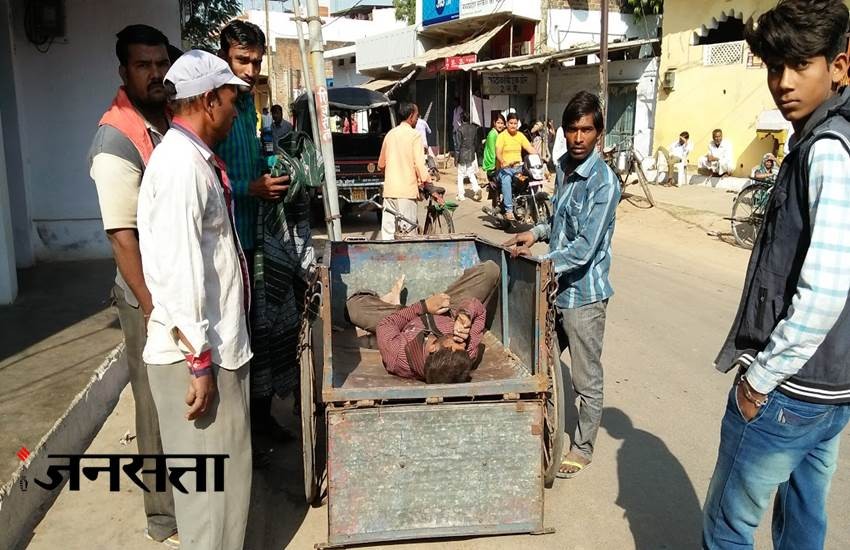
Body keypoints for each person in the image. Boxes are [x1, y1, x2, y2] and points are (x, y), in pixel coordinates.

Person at [705, 2, 850, 548]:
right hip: (832, 391)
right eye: (773, 67)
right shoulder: (826, 138)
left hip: (789, 391)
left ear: (839, 66)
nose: (783, 82)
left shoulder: (828, 149)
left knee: (727, 528)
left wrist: (760, 380)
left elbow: (826, 289)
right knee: (803, 524)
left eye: (800, 64)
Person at [137, 49, 253, 550]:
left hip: (214, 348)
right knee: (210, 503)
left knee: (225, 491)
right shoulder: (180, 167)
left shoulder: (192, 160)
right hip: (198, 359)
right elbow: (178, 271)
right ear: (208, 100)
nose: (235, 111)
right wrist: (199, 362)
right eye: (231, 100)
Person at [88, 24, 177, 548]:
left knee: (181, 394)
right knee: (153, 401)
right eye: (144, 65)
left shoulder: (164, 117)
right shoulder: (115, 138)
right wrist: (151, 307)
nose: (156, 73)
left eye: (161, 62)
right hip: (145, 294)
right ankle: (162, 516)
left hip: (174, 284)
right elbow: (122, 237)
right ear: (124, 71)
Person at [504, 91, 620, 479]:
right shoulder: (566, 168)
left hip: (585, 296)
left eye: (585, 130)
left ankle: (583, 447)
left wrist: (543, 262)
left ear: (598, 133)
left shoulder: (604, 183)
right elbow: (559, 220)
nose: (578, 137)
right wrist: (535, 233)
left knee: (585, 378)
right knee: (541, 361)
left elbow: (584, 248)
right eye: (572, 129)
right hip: (555, 290)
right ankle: (542, 427)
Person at [215, 20, 296, 449]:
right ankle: (241, 434)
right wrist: (252, 188)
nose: (250, 70)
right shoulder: (215, 104)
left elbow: (253, 160)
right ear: (224, 57)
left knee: (259, 335)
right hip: (225, 243)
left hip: (255, 241)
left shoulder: (249, 105)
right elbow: (210, 178)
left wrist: (275, 172)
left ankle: (260, 424)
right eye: (242, 60)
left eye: (256, 62)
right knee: (235, 341)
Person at [346, 261, 500, 383]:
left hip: (403, 320)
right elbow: (478, 311)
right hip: (448, 310)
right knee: (490, 271)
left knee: (353, 308)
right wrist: (464, 315)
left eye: (454, 342)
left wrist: (424, 306)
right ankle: (402, 301)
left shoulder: (396, 354)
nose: (461, 341)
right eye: (462, 345)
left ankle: (390, 301)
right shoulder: (467, 353)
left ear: (433, 347)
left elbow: (387, 324)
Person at [377, 102, 434, 240]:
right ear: (411, 116)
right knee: (408, 235)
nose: (417, 119)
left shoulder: (390, 135)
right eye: (417, 116)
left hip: (389, 192)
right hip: (406, 194)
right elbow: (419, 165)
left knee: (388, 234)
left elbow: (381, 165)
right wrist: (428, 183)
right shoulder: (414, 136)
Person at [496, 112, 537, 222]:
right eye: (511, 123)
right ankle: (509, 211)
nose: (513, 125)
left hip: (518, 168)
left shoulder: (520, 135)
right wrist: (503, 161)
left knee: (532, 177)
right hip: (505, 169)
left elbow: (529, 148)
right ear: (507, 124)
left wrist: (539, 157)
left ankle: (531, 205)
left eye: (515, 123)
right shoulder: (502, 136)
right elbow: (498, 153)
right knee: (506, 179)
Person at [456, 112, 483, 202]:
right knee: (470, 172)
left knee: (460, 175)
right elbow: (476, 142)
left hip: (462, 153)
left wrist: (456, 158)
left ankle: (461, 195)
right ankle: (476, 188)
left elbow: (458, 145)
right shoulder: (474, 128)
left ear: (461, 119)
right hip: (471, 153)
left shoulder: (459, 129)